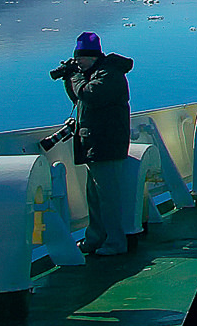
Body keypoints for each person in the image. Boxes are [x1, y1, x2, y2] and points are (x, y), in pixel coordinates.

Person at [54, 32, 136, 256]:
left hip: (106, 145)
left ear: (92, 57)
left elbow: (91, 94)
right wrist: (69, 79)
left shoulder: (109, 74)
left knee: (108, 199)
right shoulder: (93, 74)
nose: (78, 62)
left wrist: (75, 78)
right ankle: (95, 239)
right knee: (95, 197)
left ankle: (115, 243)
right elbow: (79, 98)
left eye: (81, 58)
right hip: (94, 145)